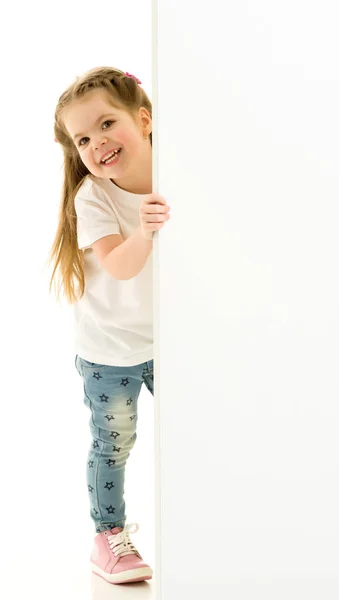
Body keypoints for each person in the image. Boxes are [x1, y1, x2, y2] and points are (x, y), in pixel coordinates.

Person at [47, 66, 171, 585]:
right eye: (82, 138)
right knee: (114, 443)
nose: (96, 143)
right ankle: (109, 538)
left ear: (143, 120)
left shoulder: (176, 174)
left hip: (170, 342)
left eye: (105, 124)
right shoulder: (92, 198)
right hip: (110, 350)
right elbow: (121, 264)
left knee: (198, 427)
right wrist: (145, 230)